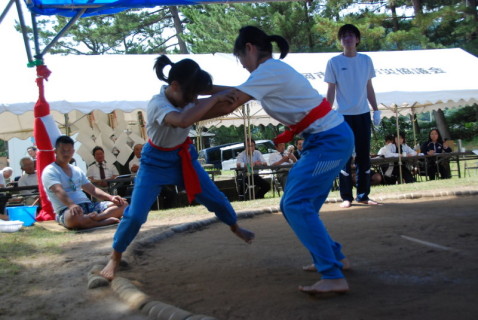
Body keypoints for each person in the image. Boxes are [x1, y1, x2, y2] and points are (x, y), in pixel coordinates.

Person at [204, 26, 354, 295]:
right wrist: (200, 90)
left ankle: (332, 275)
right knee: (296, 204)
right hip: (323, 140)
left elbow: (228, 103)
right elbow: (234, 92)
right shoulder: (269, 73)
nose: (244, 68)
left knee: (296, 204)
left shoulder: (269, 71)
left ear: (249, 49)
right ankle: (335, 258)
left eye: (241, 60)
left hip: (330, 141)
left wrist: (180, 118)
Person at [100, 55, 254, 280]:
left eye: (196, 95)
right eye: (191, 94)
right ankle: (115, 257)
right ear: (174, 86)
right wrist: (214, 98)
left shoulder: (188, 98)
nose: (193, 99)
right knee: (135, 216)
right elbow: (182, 120)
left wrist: (247, 91)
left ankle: (234, 226)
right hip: (154, 163)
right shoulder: (157, 104)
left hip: (183, 159)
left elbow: (222, 106)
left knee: (217, 198)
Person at [324, 24, 381, 209]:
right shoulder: (334, 62)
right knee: (345, 157)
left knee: (364, 156)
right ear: (340, 41)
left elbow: (369, 87)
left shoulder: (366, 60)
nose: (347, 38)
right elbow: (331, 90)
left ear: (357, 39)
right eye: (344, 36)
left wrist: (376, 109)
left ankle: (363, 195)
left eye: (351, 35)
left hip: (363, 114)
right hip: (342, 116)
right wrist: (325, 112)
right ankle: (346, 197)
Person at [42, 136, 127, 230]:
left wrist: (111, 197)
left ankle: (98, 218)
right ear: (55, 151)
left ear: (73, 152)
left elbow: (92, 189)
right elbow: (58, 190)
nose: (66, 154)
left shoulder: (76, 170)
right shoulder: (50, 171)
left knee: (123, 204)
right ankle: (99, 222)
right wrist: (71, 205)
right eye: (63, 150)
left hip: (88, 205)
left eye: (69, 150)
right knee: (72, 218)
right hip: (66, 209)